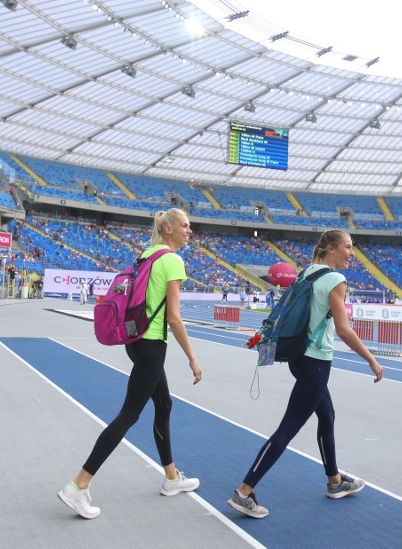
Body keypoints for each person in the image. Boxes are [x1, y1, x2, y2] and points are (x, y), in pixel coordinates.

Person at [227, 229, 384, 519]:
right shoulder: (336, 279)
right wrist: (371, 359)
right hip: (316, 362)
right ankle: (244, 491)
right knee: (288, 427)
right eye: (348, 247)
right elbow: (343, 329)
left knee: (327, 415)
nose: (352, 253)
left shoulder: (308, 272)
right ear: (332, 249)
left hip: (298, 358)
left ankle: (335, 481)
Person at [58, 208, 203, 519]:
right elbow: (174, 317)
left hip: (136, 342)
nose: (189, 231)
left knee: (163, 405)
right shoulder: (173, 260)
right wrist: (192, 358)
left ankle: (172, 478)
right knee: (129, 414)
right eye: (185, 226)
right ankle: (79, 485)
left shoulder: (146, 254)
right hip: (153, 345)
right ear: (168, 229)